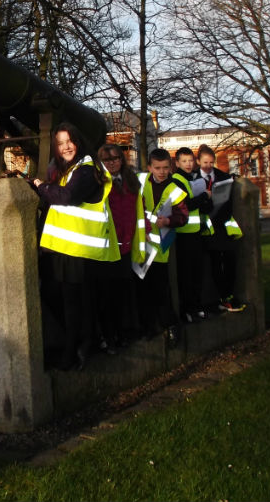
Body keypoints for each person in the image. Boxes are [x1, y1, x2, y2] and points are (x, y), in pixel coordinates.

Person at [34, 122, 113, 371]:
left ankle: (75, 351)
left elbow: (67, 197)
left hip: (78, 251)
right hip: (67, 249)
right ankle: (82, 344)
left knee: (74, 303)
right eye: (60, 143)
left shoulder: (86, 169)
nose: (65, 147)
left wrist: (40, 186)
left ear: (78, 141)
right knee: (69, 300)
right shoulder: (72, 170)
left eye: (69, 141)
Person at [132, 148, 189, 347]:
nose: (162, 172)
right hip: (140, 244)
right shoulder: (139, 180)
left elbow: (183, 216)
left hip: (159, 247)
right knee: (142, 290)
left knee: (161, 290)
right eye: (157, 168)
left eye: (165, 168)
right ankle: (148, 327)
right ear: (149, 167)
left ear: (170, 167)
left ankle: (171, 325)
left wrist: (169, 221)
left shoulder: (175, 189)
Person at [96, 143, 140, 352]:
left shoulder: (131, 181)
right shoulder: (98, 183)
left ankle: (122, 333)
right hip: (107, 248)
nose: (112, 163)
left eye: (115, 158)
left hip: (127, 246)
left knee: (122, 295)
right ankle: (108, 336)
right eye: (107, 160)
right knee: (105, 296)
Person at [193, 144, 245, 312]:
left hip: (222, 225)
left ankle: (229, 293)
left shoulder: (223, 176)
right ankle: (223, 296)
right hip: (206, 227)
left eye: (211, 162)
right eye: (205, 163)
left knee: (230, 260)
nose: (208, 166)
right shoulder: (193, 179)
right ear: (198, 161)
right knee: (215, 263)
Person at [170, 146, 214, 323]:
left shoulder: (194, 177)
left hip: (197, 232)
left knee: (197, 272)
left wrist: (206, 200)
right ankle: (187, 309)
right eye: (184, 161)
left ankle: (196, 306)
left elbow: (203, 206)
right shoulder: (177, 180)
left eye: (190, 160)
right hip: (184, 234)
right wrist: (203, 197)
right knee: (186, 274)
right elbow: (185, 205)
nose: (188, 164)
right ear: (177, 163)